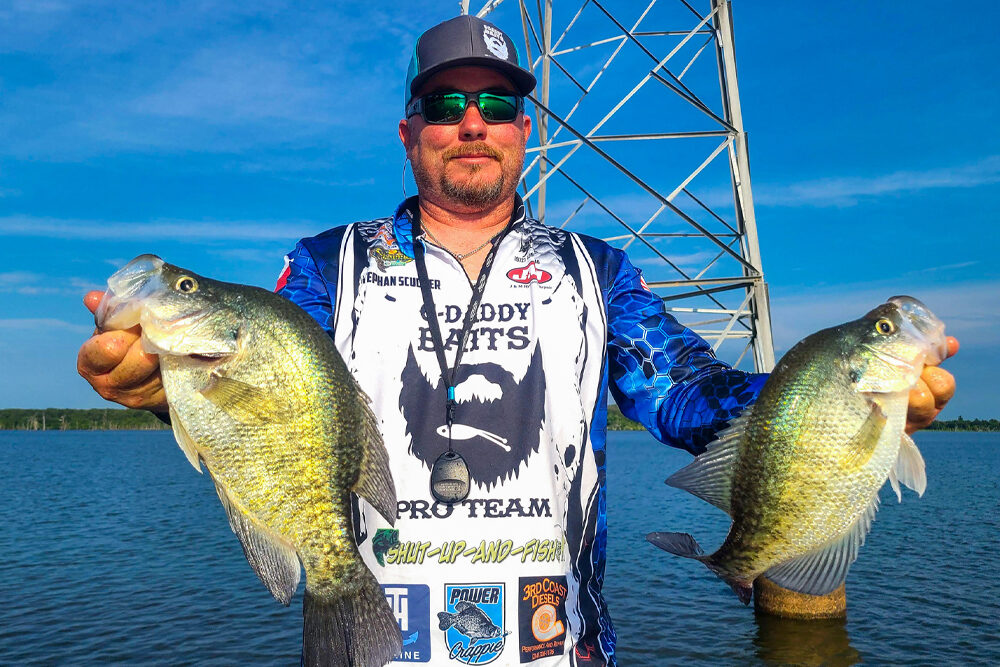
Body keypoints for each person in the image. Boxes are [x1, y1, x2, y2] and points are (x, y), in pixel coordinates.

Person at [78, 15, 958, 667]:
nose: (472, 122)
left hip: (555, 644)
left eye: (496, 105)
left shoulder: (597, 271)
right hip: (369, 644)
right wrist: (155, 384)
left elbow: (689, 395)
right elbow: (270, 394)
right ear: (409, 130)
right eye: (445, 103)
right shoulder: (323, 264)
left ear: (523, 132)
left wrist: (840, 400)